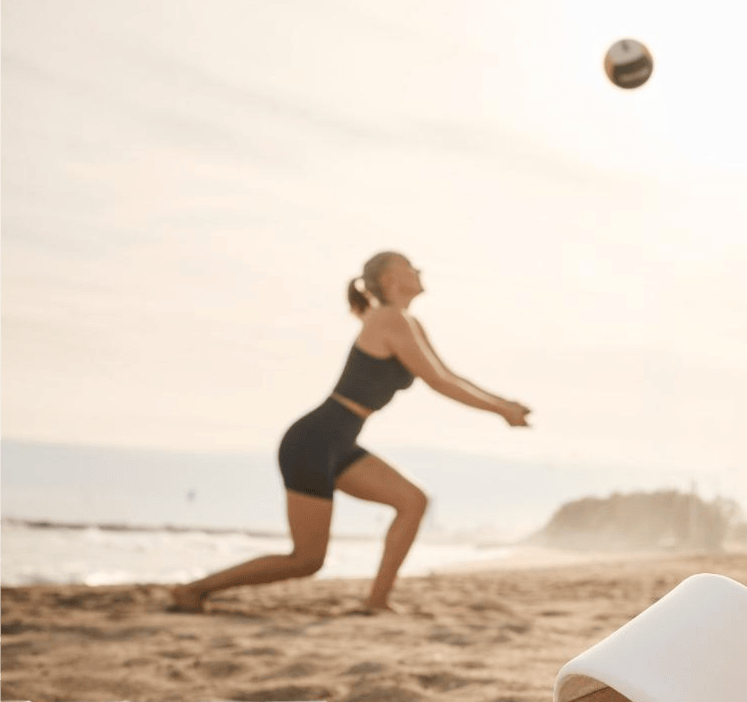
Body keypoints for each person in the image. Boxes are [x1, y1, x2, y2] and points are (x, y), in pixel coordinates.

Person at [171, 251, 531, 614]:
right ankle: (194, 589)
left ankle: (376, 602)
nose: (419, 270)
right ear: (390, 278)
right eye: (410, 266)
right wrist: (501, 410)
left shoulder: (407, 321)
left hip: (339, 442)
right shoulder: (389, 318)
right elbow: (436, 381)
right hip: (312, 441)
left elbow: (447, 374)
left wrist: (505, 404)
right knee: (307, 560)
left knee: (412, 502)